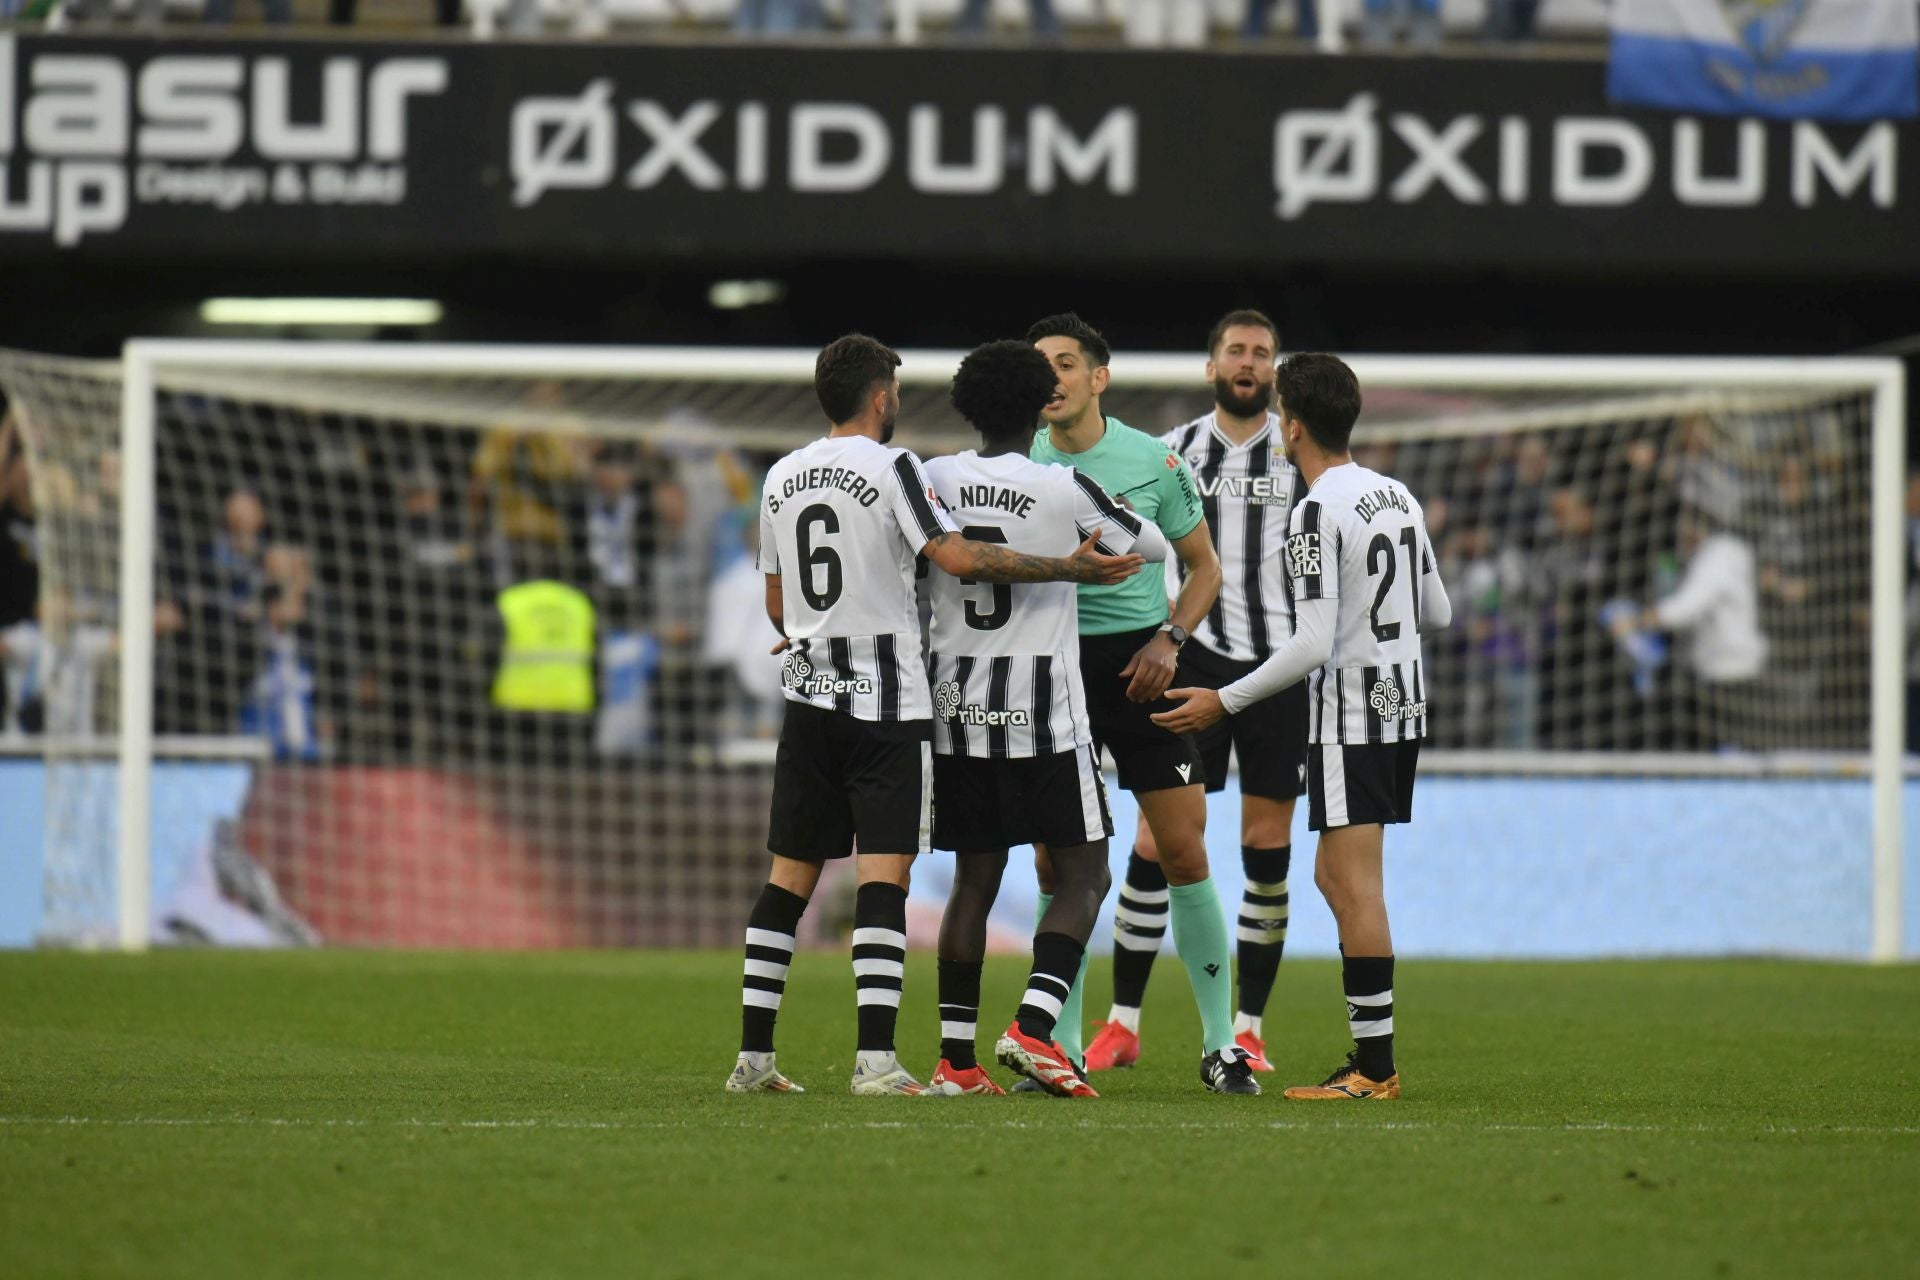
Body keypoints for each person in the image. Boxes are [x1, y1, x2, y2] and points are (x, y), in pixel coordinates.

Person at [725, 333, 1144, 1097]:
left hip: (835, 700)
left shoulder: (784, 475)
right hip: (910, 708)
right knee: (899, 877)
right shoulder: (903, 470)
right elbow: (963, 556)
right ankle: (887, 1059)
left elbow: (779, 602)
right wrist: (1069, 568)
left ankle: (760, 1057)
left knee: (794, 878)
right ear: (882, 398)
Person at [1155, 352, 1451, 1101]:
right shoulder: (1397, 495)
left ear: (1291, 425)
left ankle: (1374, 1069)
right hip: (1402, 702)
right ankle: (1372, 1058)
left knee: (1352, 884)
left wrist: (1224, 701)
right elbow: (1437, 610)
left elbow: (1313, 643)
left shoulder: (1316, 510)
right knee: (1335, 875)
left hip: (1352, 711)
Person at [920, 340, 1171, 1099]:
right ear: (1038, 406)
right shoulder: (1064, 487)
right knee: (1087, 869)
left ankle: (954, 1062)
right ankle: (1034, 1026)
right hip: (1043, 711)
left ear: (966, 407)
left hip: (956, 702)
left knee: (975, 877)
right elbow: (1150, 548)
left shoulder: (931, 479)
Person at [1025, 313, 1259, 1097]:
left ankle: (1223, 1046)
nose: (1052, 378)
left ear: (1099, 377)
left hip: (1144, 669)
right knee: (1057, 863)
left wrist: (1170, 638)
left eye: (1066, 364)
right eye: (1041, 367)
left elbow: (1204, 570)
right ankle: (1060, 1049)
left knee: (1184, 851)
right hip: (1056, 673)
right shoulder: (1019, 462)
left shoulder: (1155, 462)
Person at [1085, 309, 1308, 1077]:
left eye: (1262, 353)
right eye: (1236, 351)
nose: (1248, 362)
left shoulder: (1301, 455)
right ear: (1212, 366)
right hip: (1192, 660)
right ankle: (1122, 1023)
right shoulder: (1169, 453)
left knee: (1264, 850)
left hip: (1279, 670)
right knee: (1158, 843)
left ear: (1276, 370)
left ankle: (1247, 1028)